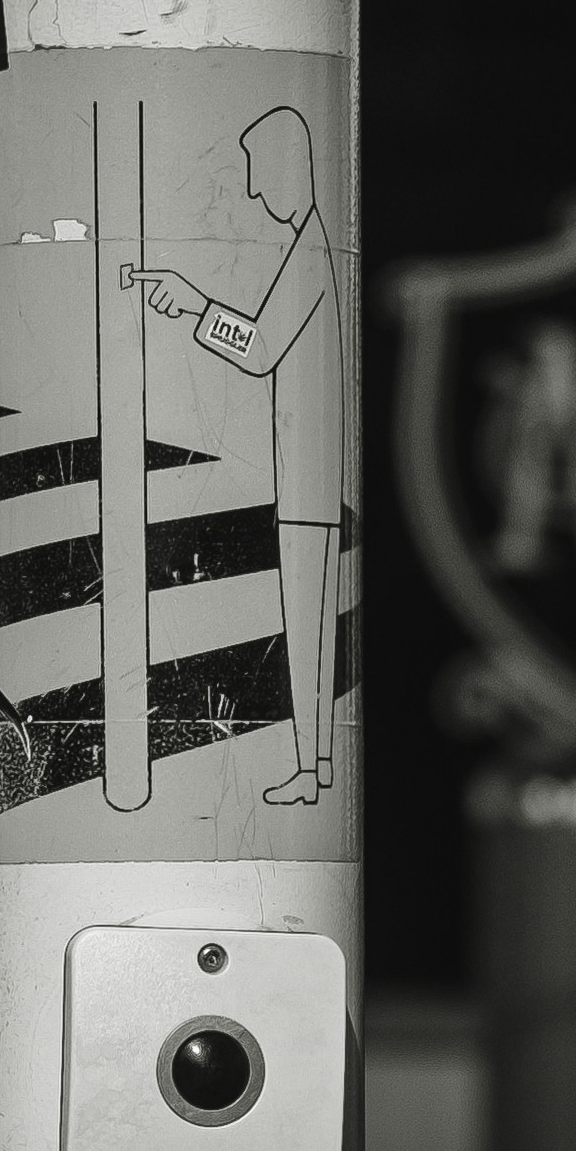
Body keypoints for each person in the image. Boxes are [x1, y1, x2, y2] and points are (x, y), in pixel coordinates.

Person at [144, 108, 345, 807]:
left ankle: (310, 766)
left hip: (308, 484)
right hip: (311, 478)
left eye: (262, 176)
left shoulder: (313, 250)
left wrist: (197, 307)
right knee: (315, 628)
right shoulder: (318, 245)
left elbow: (259, 350)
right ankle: (315, 766)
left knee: (309, 624)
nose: (258, 195)